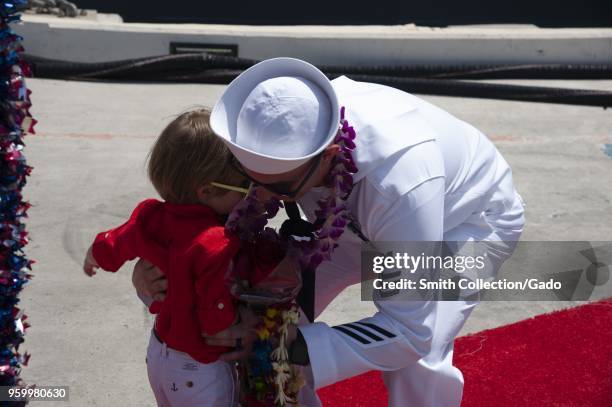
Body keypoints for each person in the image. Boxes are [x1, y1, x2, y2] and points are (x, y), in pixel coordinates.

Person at [133, 58, 525, 406]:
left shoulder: (402, 182)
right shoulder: (284, 122)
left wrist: (298, 346)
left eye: (280, 189)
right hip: (347, 228)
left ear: (330, 155)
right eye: (251, 182)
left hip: (464, 221)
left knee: (418, 359)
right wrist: (158, 266)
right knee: (268, 314)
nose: (263, 197)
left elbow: (410, 329)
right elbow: (200, 218)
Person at [83, 108, 286, 406]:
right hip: (199, 368)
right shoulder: (215, 242)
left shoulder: (150, 214)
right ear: (206, 191)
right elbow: (214, 313)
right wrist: (238, 328)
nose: (249, 194)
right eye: (244, 186)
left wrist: (95, 255)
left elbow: (114, 244)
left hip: (159, 354)